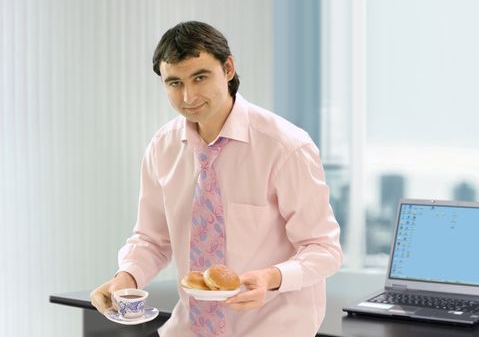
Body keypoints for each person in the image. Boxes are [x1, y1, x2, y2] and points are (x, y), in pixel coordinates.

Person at [90, 20, 343, 337]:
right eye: (174, 83)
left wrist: (271, 277)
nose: (188, 96)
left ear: (228, 69)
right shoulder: (163, 147)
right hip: (189, 328)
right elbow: (152, 240)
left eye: (200, 77)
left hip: (271, 328)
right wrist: (126, 278)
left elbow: (323, 249)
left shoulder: (286, 147)